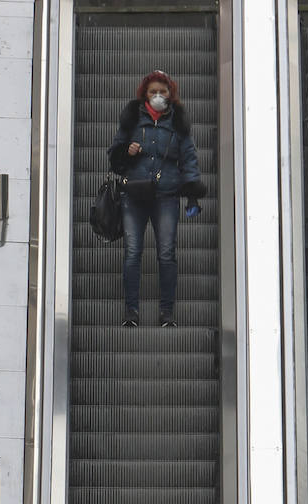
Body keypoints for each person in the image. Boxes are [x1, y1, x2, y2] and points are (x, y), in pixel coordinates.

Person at [108, 70, 205, 327]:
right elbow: (114, 156)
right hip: (134, 195)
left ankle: (167, 313)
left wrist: (192, 194)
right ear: (145, 94)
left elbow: (189, 158)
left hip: (167, 196)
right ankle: (131, 312)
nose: (158, 96)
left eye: (163, 91)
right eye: (153, 92)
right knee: (132, 252)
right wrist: (126, 152)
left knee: (166, 253)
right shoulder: (131, 120)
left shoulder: (178, 122)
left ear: (170, 94)